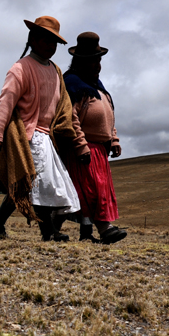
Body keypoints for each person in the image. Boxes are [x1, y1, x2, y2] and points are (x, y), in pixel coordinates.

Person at [0, 16, 82, 242]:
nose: (51, 46)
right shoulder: (20, 69)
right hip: (26, 135)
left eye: (55, 43)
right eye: (47, 40)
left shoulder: (56, 70)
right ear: (33, 39)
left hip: (46, 135)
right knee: (37, 183)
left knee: (32, 184)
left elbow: (63, 104)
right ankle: (48, 232)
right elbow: (6, 101)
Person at [61, 32, 127, 244]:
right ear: (81, 61)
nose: (98, 65)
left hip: (99, 149)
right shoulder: (72, 84)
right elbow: (70, 118)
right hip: (83, 149)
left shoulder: (97, 85)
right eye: (94, 61)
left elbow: (109, 114)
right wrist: (81, 146)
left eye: (99, 60)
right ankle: (105, 229)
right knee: (89, 192)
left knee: (95, 192)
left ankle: (56, 225)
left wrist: (113, 139)